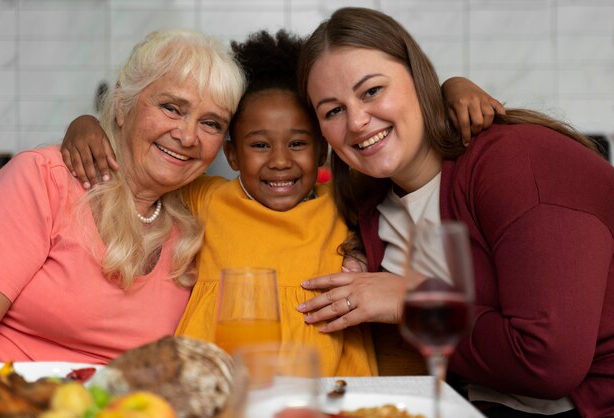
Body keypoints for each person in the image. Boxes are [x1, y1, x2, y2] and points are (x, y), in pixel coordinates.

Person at [60, 36, 505, 377]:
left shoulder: (346, 202)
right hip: (221, 388)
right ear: (232, 155)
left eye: (297, 143)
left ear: (324, 151)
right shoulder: (208, 197)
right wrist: (85, 123)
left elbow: (410, 144)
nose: (279, 161)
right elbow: (142, 165)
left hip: (332, 390)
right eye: (258, 145)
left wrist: (452, 87)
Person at [294, 7, 614, 417]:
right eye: (332, 110)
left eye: (372, 91)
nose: (357, 121)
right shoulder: (372, 205)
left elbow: (547, 363)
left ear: (419, 78)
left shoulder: (514, 163)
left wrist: (408, 301)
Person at [0, 29, 245, 363]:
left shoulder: (200, 214)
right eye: (171, 108)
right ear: (124, 105)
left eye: (211, 123)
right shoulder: (42, 179)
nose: (187, 136)